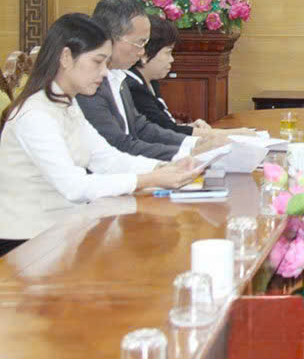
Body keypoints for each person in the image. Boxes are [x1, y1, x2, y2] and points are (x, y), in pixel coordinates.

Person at [0, 14, 204, 256]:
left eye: (106, 63)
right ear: (66, 57)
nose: (105, 73)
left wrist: (164, 167)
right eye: (97, 62)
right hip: (28, 244)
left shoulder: (67, 104)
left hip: (62, 232)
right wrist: (148, 179)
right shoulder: (35, 114)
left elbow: (106, 158)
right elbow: (74, 186)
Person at [77, 0, 225, 160]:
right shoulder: (89, 85)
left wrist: (196, 144)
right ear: (111, 37)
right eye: (140, 43)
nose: (142, 52)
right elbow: (119, 146)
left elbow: (141, 129)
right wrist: (189, 153)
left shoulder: (119, 77)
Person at [125, 14, 250, 138]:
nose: (172, 59)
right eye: (168, 52)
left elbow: (165, 125)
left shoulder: (151, 81)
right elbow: (164, 132)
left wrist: (189, 127)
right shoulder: (133, 88)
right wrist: (227, 134)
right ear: (145, 54)